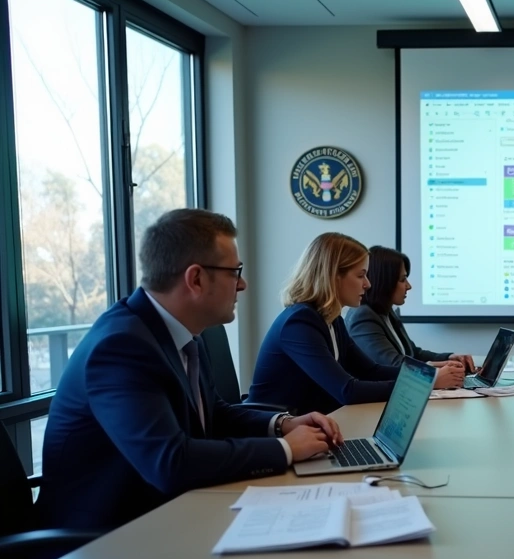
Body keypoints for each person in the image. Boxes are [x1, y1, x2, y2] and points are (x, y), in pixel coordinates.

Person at [38, 210, 342, 531]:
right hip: (101, 543)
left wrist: (283, 425)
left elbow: (213, 413)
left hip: (166, 516)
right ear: (195, 279)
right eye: (234, 272)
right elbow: (170, 463)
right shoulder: (121, 347)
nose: (242, 284)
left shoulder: (181, 333)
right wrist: (284, 450)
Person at [246, 233, 403, 414]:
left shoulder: (332, 319)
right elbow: (347, 391)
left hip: (312, 422)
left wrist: (426, 378)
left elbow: (371, 371)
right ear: (333, 276)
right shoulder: (299, 323)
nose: (368, 284)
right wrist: (417, 387)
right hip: (277, 431)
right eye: (361, 275)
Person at [345, 246, 469, 389]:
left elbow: (413, 353)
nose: (408, 286)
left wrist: (448, 358)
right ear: (386, 281)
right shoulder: (363, 316)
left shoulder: (387, 311)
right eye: (403, 279)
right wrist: (435, 373)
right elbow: (393, 365)